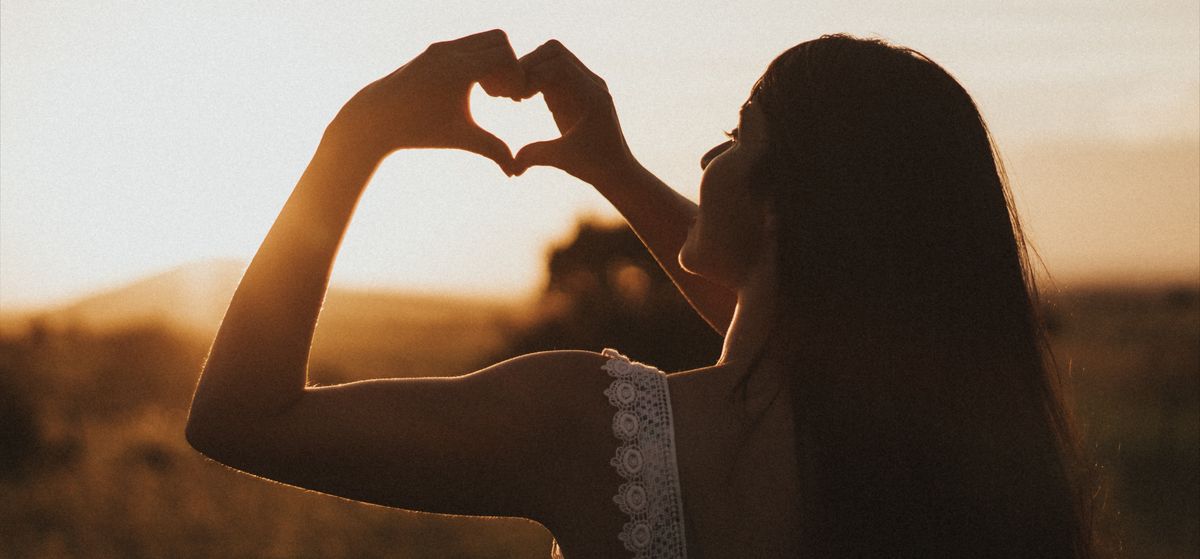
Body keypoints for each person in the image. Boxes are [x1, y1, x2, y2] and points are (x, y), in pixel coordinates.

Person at [186, 30, 1095, 558]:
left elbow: (240, 415)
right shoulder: (958, 463)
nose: (708, 158)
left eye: (740, 133)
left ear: (791, 208)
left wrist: (360, 132)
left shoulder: (590, 428)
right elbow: (794, 337)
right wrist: (615, 169)